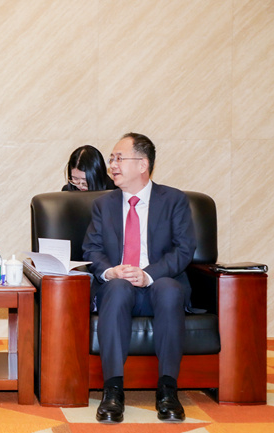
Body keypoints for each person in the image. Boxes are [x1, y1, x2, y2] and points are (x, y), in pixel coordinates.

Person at [82, 133, 196, 423]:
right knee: (117, 288)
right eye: (112, 159)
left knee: (169, 290)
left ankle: (168, 390)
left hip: (159, 282)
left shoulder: (174, 200)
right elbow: (91, 250)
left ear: (143, 164)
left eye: (119, 158)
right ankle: (113, 391)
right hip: (118, 288)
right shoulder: (103, 205)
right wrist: (110, 271)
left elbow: (184, 250)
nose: (112, 165)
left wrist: (148, 275)